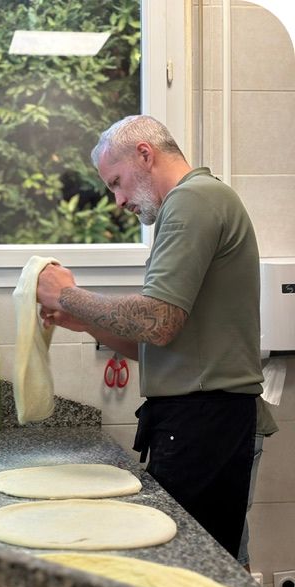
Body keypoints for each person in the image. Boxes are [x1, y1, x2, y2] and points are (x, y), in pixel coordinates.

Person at [37, 114, 265, 563]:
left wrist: (67, 294)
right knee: (202, 563)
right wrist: (87, 323)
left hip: (206, 422)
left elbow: (158, 320)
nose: (118, 200)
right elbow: (164, 342)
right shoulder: (194, 203)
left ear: (145, 154)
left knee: (193, 567)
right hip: (203, 418)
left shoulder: (193, 200)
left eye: (116, 182)